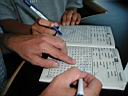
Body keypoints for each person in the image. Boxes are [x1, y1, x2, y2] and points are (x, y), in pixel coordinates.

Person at [0, 0, 83, 35]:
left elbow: (72, 3)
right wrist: (30, 30)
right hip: (28, 42)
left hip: (67, 31)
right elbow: (5, 19)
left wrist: (70, 11)